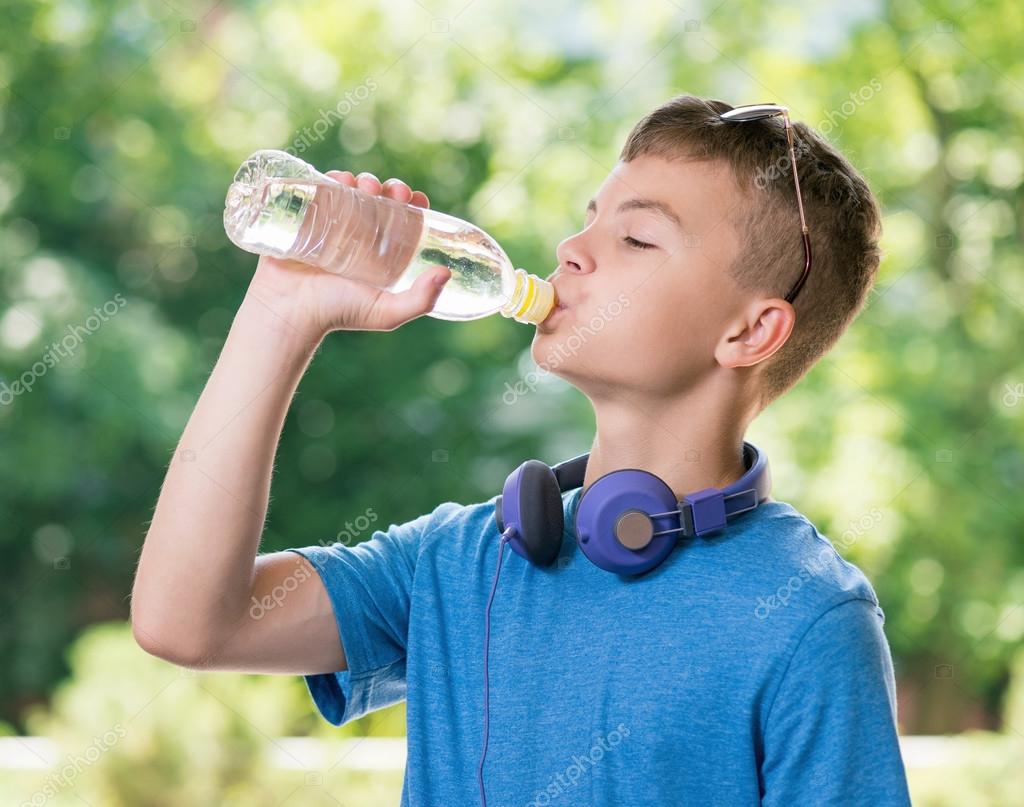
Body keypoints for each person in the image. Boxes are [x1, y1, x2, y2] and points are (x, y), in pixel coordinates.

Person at [131, 94, 911, 805]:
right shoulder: (461, 560)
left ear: (749, 331)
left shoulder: (808, 618)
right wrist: (280, 311)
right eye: (589, 217)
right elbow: (188, 622)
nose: (572, 248)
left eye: (637, 237)